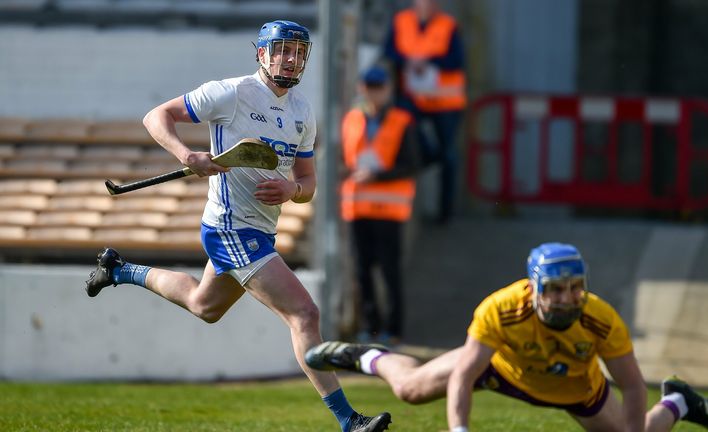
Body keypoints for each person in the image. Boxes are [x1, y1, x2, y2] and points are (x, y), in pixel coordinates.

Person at [84, 20, 391, 432]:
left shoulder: (302, 111)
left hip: (261, 230)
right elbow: (156, 116)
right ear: (261, 53)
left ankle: (118, 269)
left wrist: (291, 190)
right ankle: (348, 420)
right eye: (281, 49)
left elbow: (309, 185)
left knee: (203, 306)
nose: (291, 58)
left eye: (299, 51)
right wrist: (185, 154)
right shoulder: (231, 92)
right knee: (304, 314)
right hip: (230, 228)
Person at [305, 242, 708, 432]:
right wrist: (460, 430)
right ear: (534, 287)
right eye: (556, 289)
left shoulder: (602, 319)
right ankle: (364, 357)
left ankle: (678, 401)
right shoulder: (501, 308)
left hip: (574, 389)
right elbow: (465, 372)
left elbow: (634, 385)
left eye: (575, 288)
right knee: (411, 389)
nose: (567, 298)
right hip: (502, 369)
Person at [340, 65, 421, 345]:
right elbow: (344, 160)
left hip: (389, 210)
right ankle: (371, 328)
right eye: (368, 86)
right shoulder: (351, 119)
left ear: (388, 89)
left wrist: (377, 175)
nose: (373, 93)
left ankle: (394, 330)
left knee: (390, 272)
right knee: (362, 272)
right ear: (361, 88)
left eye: (378, 87)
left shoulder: (402, 120)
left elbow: (411, 164)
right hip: (357, 207)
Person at [382, 0, 467, 224]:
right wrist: (408, 60)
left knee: (449, 157)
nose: (427, 5)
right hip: (413, 98)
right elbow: (389, 51)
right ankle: (431, 156)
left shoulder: (448, 25)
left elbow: (457, 60)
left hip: (445, 102)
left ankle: (445, 213)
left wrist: (429, 61)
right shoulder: (402, 21)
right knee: (406, 131)